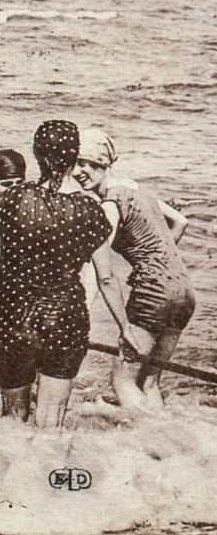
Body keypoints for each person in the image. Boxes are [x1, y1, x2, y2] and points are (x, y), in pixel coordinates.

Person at [73, 128, 195, 409]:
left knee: (122, 381)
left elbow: (100, 271)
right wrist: (153, 259)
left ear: (105, 165)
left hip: (153, 293)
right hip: (184, 291)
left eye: (90, 165)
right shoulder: (136, 190)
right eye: (77, 164)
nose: (81, 172)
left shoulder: (109, 205)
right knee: (149, 381)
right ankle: (169, 446)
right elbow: (180, 222)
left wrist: (87, 315)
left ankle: (156, 440)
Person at [0, 121, 112, 427]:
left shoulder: (9, 200)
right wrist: (126, 328)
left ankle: (13, 474)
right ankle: (46, 473)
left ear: (36, 154)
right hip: (64, 318)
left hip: (14, 317)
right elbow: (106, 279)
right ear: (73, 156)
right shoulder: (90, 210)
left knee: (11, 418)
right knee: (51, 423)